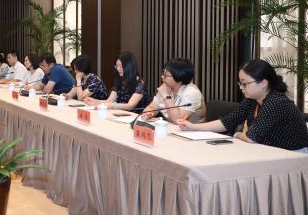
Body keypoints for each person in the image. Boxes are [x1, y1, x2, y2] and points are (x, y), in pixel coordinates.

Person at [179, 59, 308, 151]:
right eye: (240, 83)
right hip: (267, 150)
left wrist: (236, 135)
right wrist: (193, 127)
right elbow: (228, 122)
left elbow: (251, 138)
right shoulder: (252, 99)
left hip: (292, 155)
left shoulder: (276, 102)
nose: (241, 87)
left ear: (263, 83)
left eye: (245, 83)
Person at [141, 58, 206, 123]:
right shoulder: (166, 87)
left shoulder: (192, 93)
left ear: (179, 76)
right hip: (171, 127)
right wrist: (149, 114)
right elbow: (151, 108)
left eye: (165, 75)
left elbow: (178, 120)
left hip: (190, 129)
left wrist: (166, 96)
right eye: (163, 73)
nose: (162, 77)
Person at [85, 51, 150, 111]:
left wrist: (113, 106)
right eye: (117, 66)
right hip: (121, 114)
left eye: (121, 66)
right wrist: (95, 101)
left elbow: (130, 106)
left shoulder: (140, 84)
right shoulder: (120, 80)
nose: (118, 69)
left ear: (129, 66)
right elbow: (110, 101)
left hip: (136, 116)